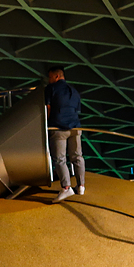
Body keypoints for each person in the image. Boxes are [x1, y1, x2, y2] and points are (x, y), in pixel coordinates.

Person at [45, 66, 86, 203]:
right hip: (76, 127)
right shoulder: (74, 91)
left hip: (58, 128)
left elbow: (48, 109)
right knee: (77, 156)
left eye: (50, 77)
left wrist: (47, 125)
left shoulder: (51, 89)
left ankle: (66, 187)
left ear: (56, 76)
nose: (49, 80)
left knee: (60, 159)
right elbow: (77, 110)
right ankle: (81, 186)